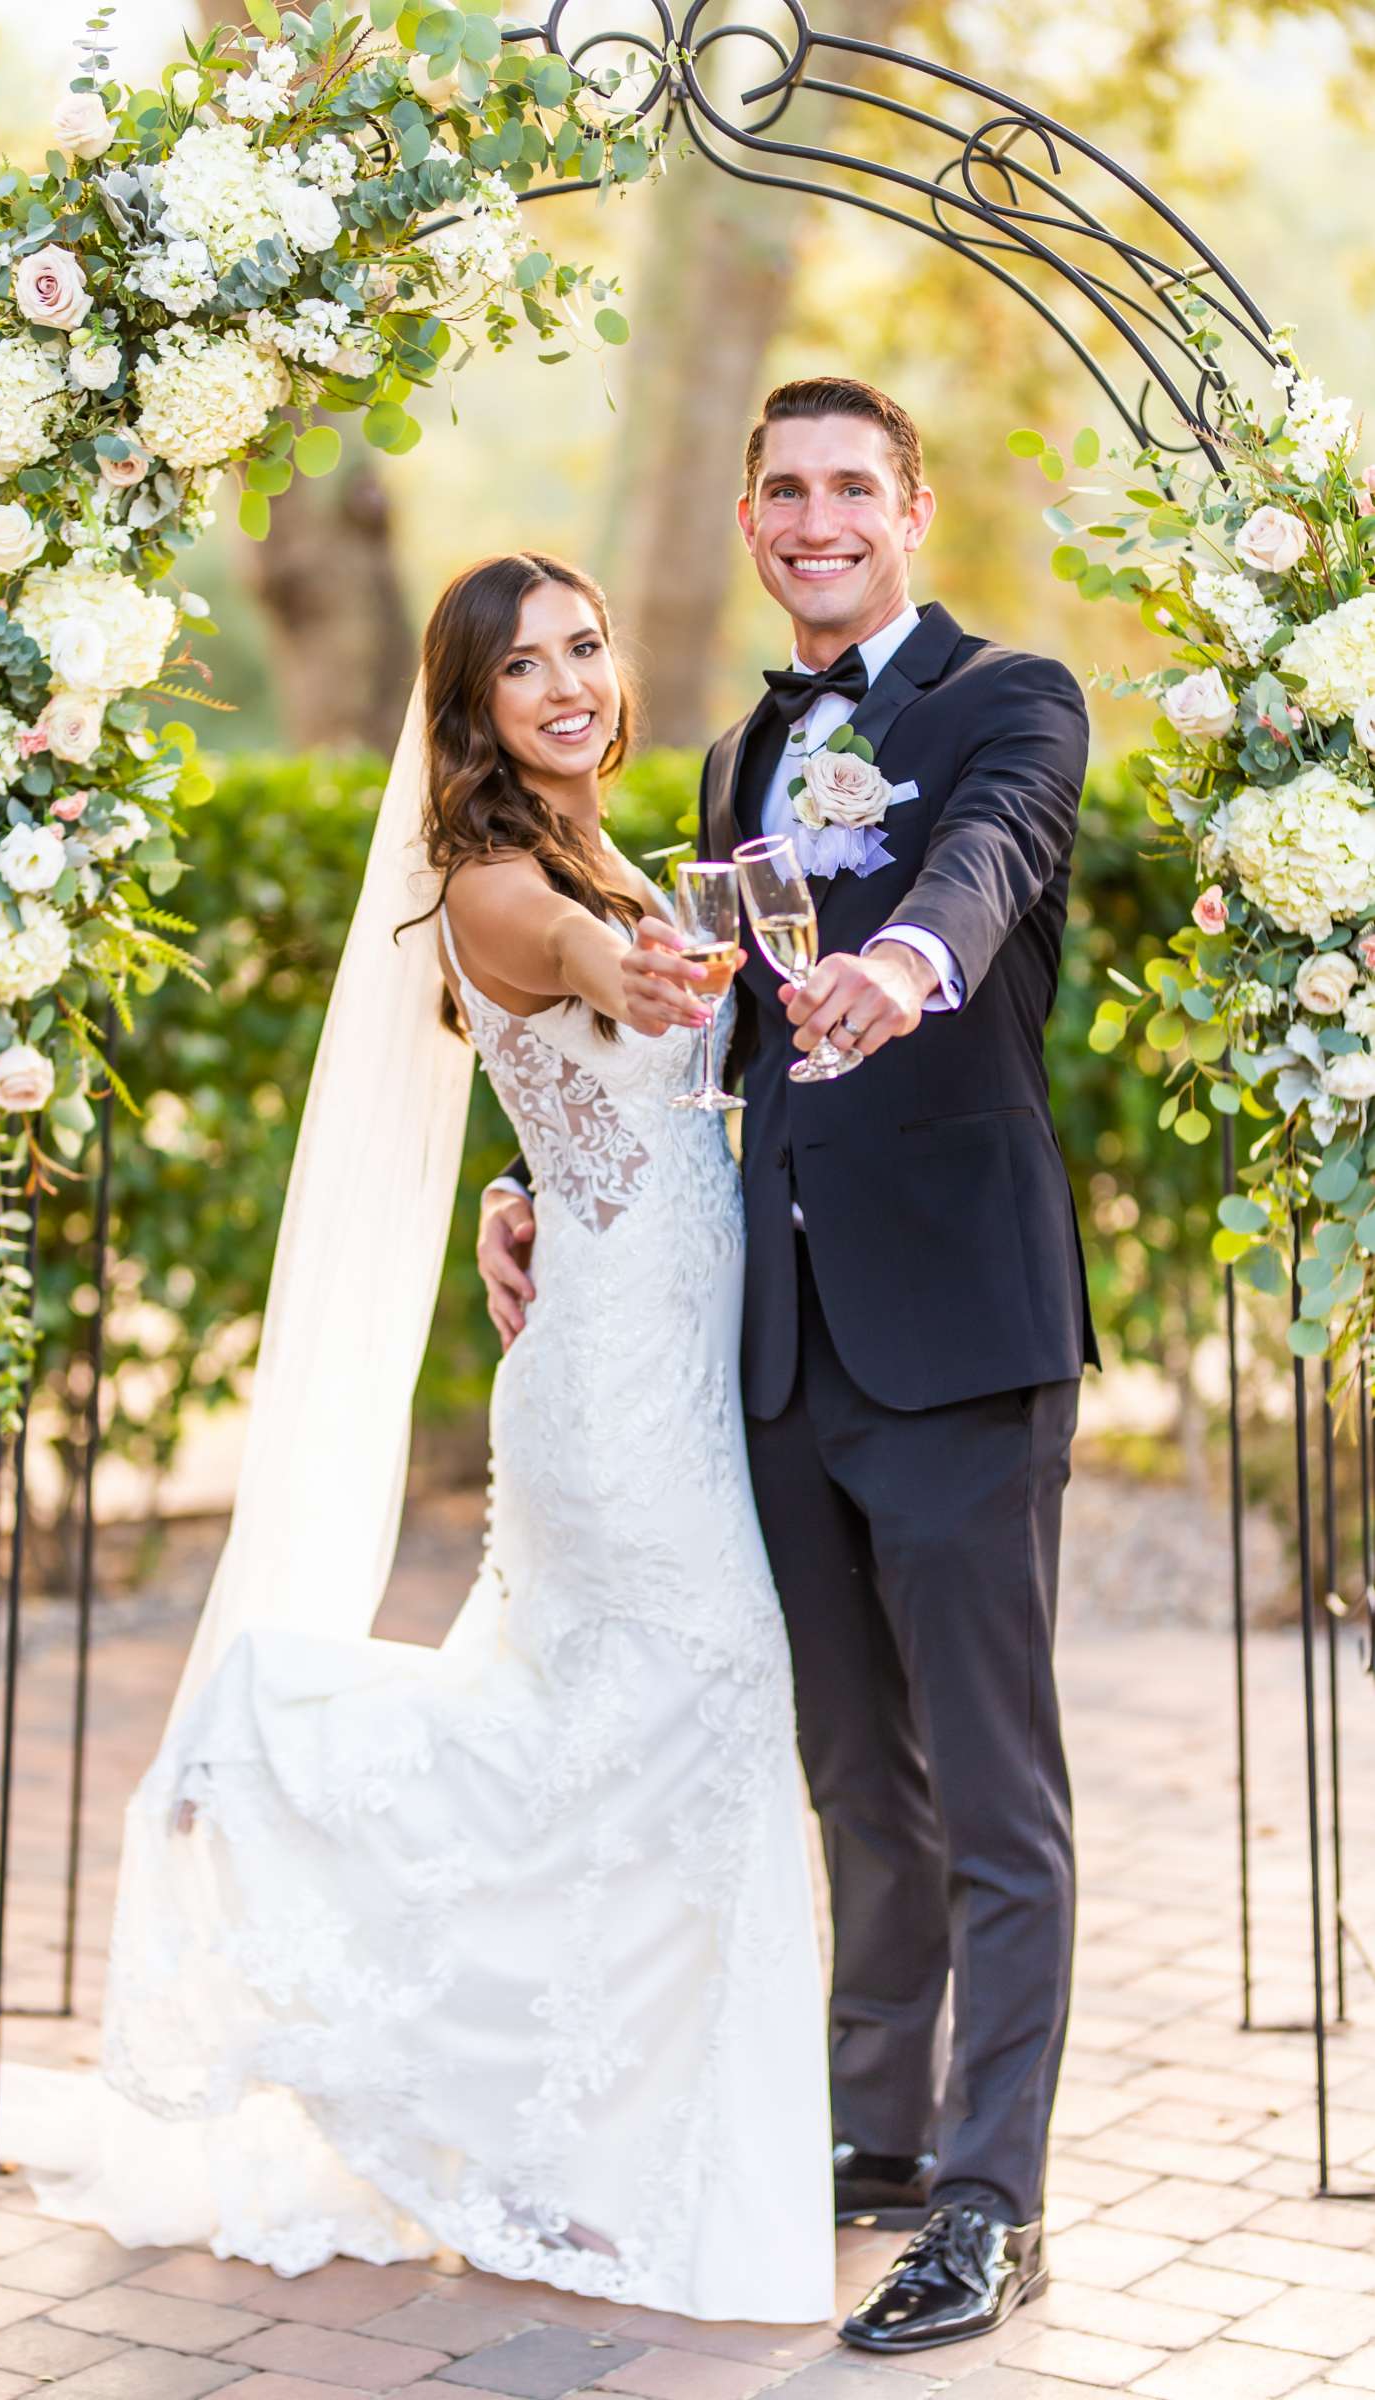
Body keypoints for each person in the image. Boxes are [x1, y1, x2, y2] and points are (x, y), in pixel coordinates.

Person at [0, 550, 835, 2329]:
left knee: (626, 1750)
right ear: (468, 709)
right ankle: (277, 1745)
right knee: (685, 1720)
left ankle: (602, 2146)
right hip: (617, 1401)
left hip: (651, 1357)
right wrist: (626, 973)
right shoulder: (500, 881)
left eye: (584, 644)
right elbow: (564, 971)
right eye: (522, 669)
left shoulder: (600, 842)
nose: (565, 683)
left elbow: (588, 1104)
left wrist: (531, 1169)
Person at [480, 378, 1096, 2356]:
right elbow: (679, 1035)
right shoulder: (741, 740)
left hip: (960, 1331)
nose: (819, 518)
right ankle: (873, 2140)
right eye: (786, 492)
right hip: (773, 1350)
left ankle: (992, 2207)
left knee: (996, 1793)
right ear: (749, 521)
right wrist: (537, 1188)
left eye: (854, 486)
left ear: (909, 505)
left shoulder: (1011, 700)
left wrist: (894, 966)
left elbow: (986, 866)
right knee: (854, 1779)